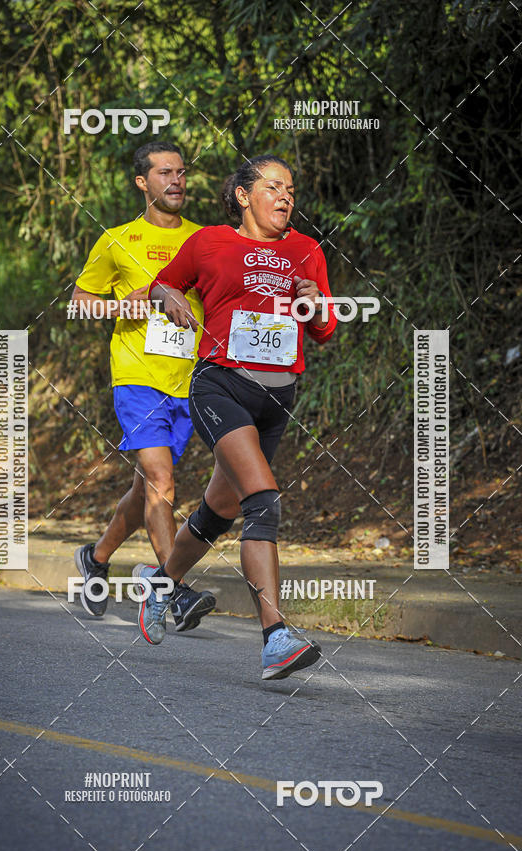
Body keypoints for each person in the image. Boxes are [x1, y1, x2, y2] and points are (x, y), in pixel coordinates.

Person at [134, 154, 337, 678]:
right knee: (262, 501)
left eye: (291, 190)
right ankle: (275, 638)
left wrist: (315, 303)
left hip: (277, 398)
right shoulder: (209, 243)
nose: (286, 197)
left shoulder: (306, 250)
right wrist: (170, 297)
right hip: (220, 385)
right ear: (244, 195)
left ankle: (160, 584)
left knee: (218, 512)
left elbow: (324, 329)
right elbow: (162, 283)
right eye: (273, 187)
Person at [72, 140, 215, 631]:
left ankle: (95, 557)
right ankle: (174, 590)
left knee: (147, 491)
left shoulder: (205, 239)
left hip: (188, 381)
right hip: (137, 377)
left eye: (181, 172)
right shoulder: (117, 240)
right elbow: (81, 300)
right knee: (161, 481)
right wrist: (120, 306)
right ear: (142, 182)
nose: (176, 181)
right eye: (164, 173)